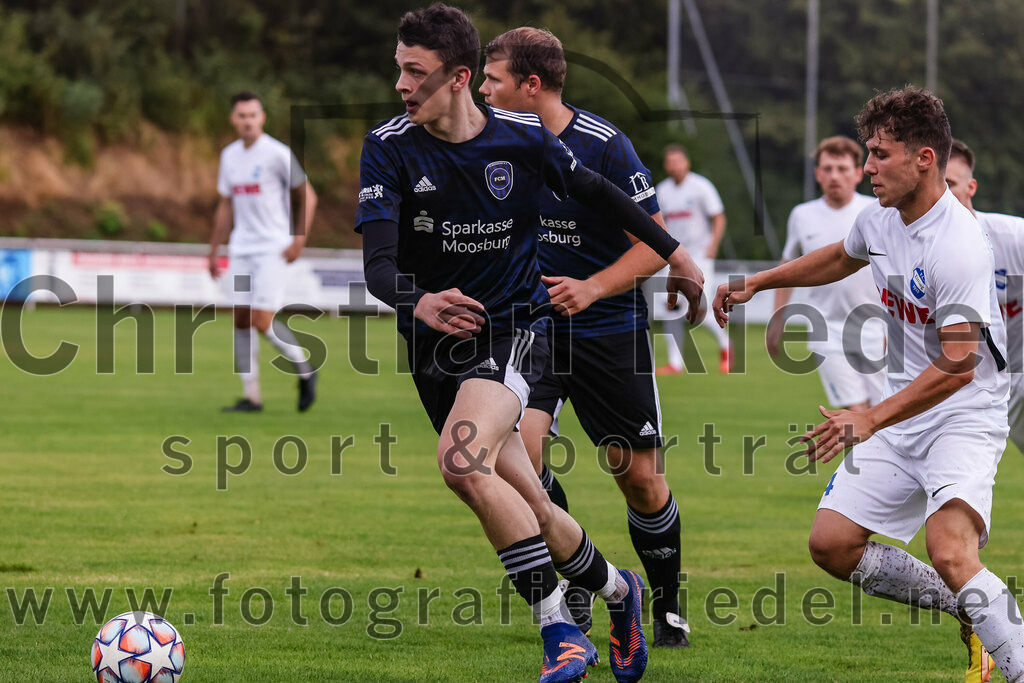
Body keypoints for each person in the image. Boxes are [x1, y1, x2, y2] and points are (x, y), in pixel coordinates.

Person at [356, 5, 703, 682]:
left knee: (462, 462)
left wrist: (676, 253)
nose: (401, 84)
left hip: (514, 332)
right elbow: (377, 266)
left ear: (458, 77)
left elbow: (599, 192)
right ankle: (619, 592)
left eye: (415, 72)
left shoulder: (521, 138)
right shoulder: (389, 146)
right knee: (535, 503)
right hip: (433, 347)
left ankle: (559, 631)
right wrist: (421, 302)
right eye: (399, 69)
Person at [713, 86, 1024, 683]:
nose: (868, 167)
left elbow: (960, 362)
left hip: (964, 413)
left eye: (880, 154)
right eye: (868, 153)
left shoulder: (958, 243)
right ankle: (969, 606)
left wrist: (871, 417)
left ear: (924, 159)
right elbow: (839, 257)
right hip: (903, 411)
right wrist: (760, 281)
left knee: (950, 550)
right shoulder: (879, 217)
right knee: (831, 544)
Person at [479, 26, 690, 649]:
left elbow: (653, 243)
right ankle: (581, 573)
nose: (483, 90)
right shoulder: (490, 143)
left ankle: (668, 605)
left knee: (638, 477)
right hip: (531, 329)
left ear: (531, 84)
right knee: (522, 454)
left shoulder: (604, 145)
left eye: (493, 79)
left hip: (607, 328)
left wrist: (593, 287)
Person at [208, 91, 319, 412]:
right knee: (241, 319)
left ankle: (305, 368)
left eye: (253, 115)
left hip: (272, 248)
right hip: (241, 248)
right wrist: (213, 250)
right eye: (242, 116)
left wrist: (299, 238)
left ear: (262, 118)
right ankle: (251, 396)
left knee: (261, 319)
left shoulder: (277, 153)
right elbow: (226, 205)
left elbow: (308, 195)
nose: (248, 121)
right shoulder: (229, 156)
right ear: (233, 119)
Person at [767, 136, 885, 411]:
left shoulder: (878, 211)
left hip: (876, 327)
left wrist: (895, 326)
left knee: (884, 415)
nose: (834, 176)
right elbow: (788, 267)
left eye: (842, 169)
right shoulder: (802, 215)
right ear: (817, 173)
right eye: (828, 168)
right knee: (855, 412)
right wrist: (777, 318)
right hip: (826, 330)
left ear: (858, 174)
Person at [946, 139, 1024, 458]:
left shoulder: (1014, 237)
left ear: (971, 187)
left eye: (950, 183)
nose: (942, 194)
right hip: (971, 386)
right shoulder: (917, 249)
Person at [652, 145, 731, 374]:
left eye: (678, 161)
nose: (674, 166)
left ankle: (726, 346)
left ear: (687, 163)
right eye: (670, 162)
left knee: (701, 309)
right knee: (669, 308)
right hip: (673, 258)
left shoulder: (701, 186)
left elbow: (719, 217)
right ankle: (675, 363)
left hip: (698, 257)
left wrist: (713, 245)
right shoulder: (662, 190)